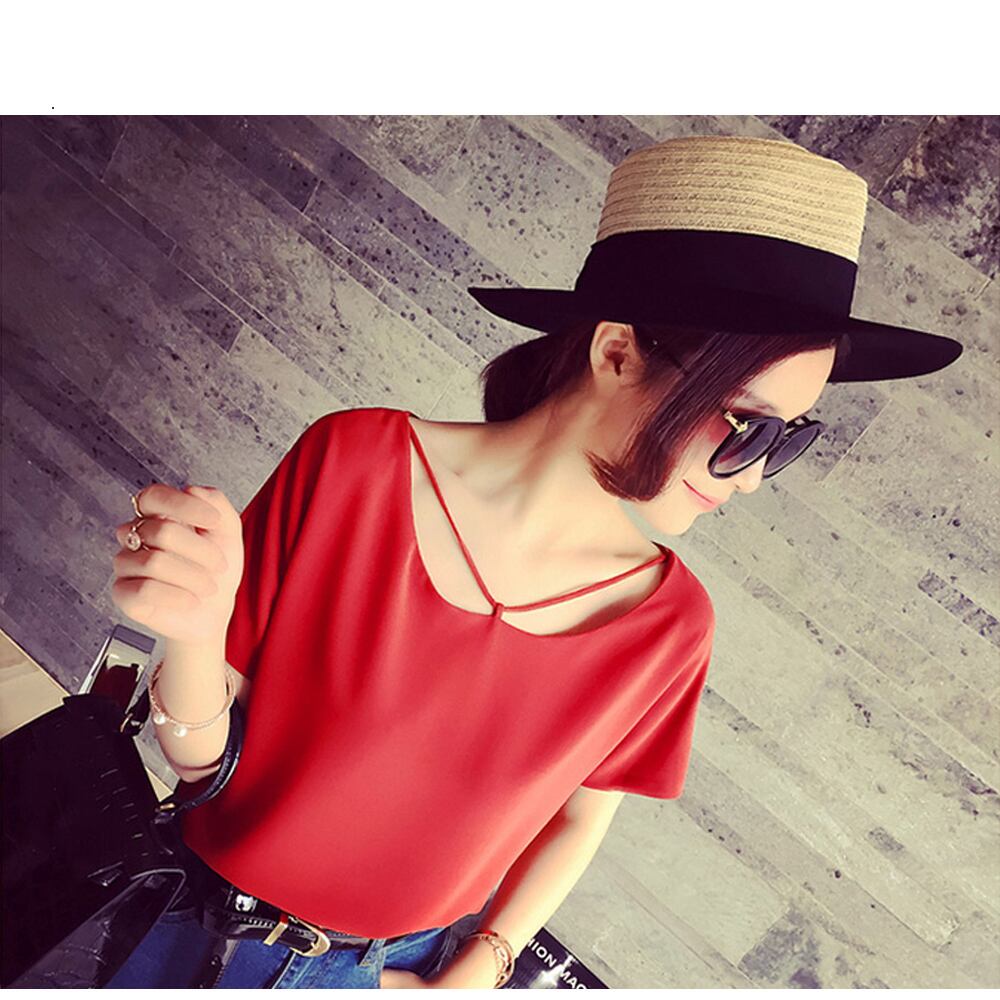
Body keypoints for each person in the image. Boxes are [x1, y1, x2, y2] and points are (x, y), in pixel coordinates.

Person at [106, 135, 963, 989]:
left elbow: (580, 820)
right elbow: (201, 767)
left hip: (389, 972)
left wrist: (480, 969)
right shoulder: (357, 463)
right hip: (191, 925)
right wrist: (195, 629)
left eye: (789, 441)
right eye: (748, 428)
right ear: (617, 352)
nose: (750, 478)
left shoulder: (670, 626)